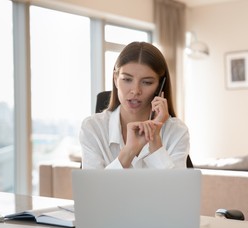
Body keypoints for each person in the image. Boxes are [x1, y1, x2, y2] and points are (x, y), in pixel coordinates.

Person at [79, 41, 190, 169]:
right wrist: (129, 151)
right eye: (127, 79)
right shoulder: (92, 128)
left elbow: (177, 189)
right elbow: (93, 189)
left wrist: (155, 142)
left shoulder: (176, 131)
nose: (136, 90)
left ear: (159, 86)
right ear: (115, 79)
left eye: (147, 82)